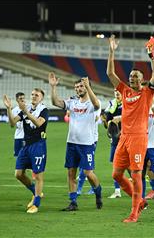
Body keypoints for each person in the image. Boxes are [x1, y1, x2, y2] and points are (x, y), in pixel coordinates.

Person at [106, 34, 154, 223]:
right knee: (117, 174)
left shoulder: (148, 92)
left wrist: (152, 56)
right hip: (124, 137)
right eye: (130, 77)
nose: (132, 79)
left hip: (138, 137)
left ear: (142, 80)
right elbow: (110, 75)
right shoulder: (125, 91)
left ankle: (134, 212)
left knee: (136, 174)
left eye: (136, 77)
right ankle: (141, 201)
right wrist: (111, 52)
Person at [49, 72, 103, 211]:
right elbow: (56, 102)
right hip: (72, 143)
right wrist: (53, 87)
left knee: (87, 173)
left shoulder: (93, 102)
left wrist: (88, 87)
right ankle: (73, 202)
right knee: (71, 173)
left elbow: (97, 105)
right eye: (76, 87)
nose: (78, 88)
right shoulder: (72, 101)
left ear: (87, 87)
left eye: (81, 86)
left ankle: (98, 192)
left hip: (87, 144)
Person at [3, 88, 48, 213]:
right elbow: (12, 123)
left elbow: (39, 123)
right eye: (32, 94)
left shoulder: (44, 110)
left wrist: (26, 112)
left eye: (36, 95)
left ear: (41, 98)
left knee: (38, 175)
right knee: (18, 174)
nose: (33, 97)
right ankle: (36, 193)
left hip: (38, 145)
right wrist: (8, 108)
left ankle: (36, 204)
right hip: (26, 145)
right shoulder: (26, 108)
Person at [76, 105, 101, 195]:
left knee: (86, 165)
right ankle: (91, 188)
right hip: (79, 138)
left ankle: (80, 188)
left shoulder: (95, 102)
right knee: (82, 164)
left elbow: (96, 118)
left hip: (91, 139)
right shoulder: (79, 103)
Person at [103, 89, 123, 199]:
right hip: (115, 139)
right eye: (115, 92)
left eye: (119, 92)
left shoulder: (128, 103)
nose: (117, 94)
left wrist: (117, 119)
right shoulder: (112, 104)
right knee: (115, 165)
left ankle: (136, 189)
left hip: (126, 137)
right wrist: (107, 122)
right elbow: (107, 121)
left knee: (130, 167)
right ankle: (117, 191)